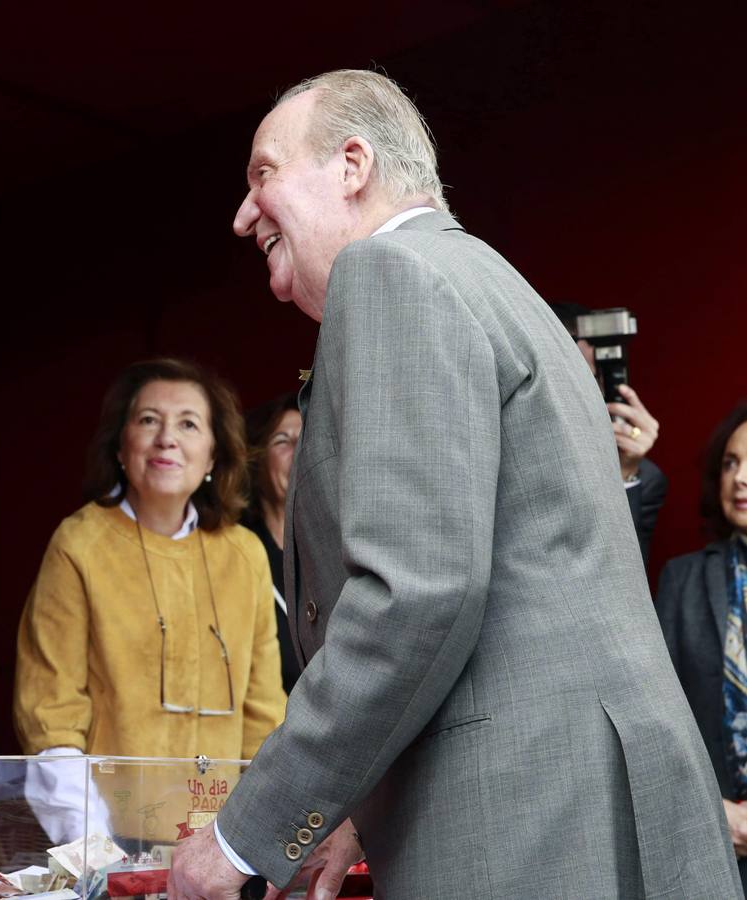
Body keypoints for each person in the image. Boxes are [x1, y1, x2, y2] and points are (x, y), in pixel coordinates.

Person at [169, 69, 739, 899]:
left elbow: (414, 594)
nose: (242, 213)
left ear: (352, 165)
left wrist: (245, 835)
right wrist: (353, 809)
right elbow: (521, 588)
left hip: (524, 818)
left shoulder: (388, 273)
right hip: (586, 808)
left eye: (263, 175)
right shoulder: (494, 283)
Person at [14, 358, 286, 763]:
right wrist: (86, 826)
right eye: (148, 420)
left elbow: (263, 713)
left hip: (221, 821)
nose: (166, 439)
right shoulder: (80, 542)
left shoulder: (244, 554)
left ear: (213, 455)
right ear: (121, 446)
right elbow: (52, 706)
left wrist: (248, 824)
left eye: (188, 424)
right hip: (104, 818)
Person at [656, 402, 747, 889]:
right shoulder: (684, 578)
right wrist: (715, 812)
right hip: (713, 848)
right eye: (731, 462)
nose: (741, 478)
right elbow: (658, 714)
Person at [549, 301, 667, 564]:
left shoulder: (643, 478)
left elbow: (625, 578)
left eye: (594, 380)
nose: (584, 393)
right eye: (571, 377)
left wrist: (623, 473)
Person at [241, 393, 302, 693]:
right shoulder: (237, 551)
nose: (299, 450)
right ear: (255, 458)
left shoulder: (340, 548)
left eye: (306, 439)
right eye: (282, 441)